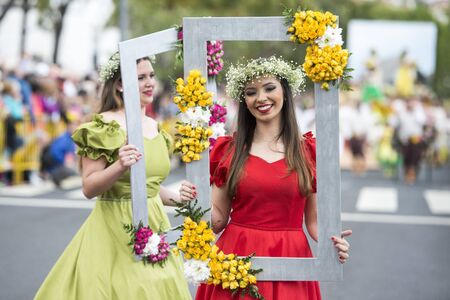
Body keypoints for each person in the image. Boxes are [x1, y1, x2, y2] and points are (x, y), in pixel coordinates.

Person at [180, 57, 352, 300]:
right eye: (251, 92)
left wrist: (334, 242)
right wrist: (193, 203)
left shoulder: (309, 152)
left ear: (285, 91)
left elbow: (313, 222)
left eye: (269, 88)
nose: (261, 98)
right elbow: (217, 220)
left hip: (291, 258)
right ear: (244, 101)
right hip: (234, 261)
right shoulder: (230, 150)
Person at [35, 53, 192, 299]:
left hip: (155, 228)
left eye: (151, 75)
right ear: (120, 84)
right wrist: (119, 165)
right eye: (140, 77)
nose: (149, 82)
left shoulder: (155, 125)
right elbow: (89, 187)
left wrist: (182, 200)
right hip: (114, 231)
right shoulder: (103, 126)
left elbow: (149, 188)